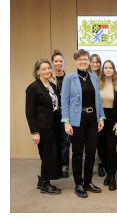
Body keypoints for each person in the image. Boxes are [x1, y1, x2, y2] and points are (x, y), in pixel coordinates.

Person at [61, 49, 105, 198]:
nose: (83, 62)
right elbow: (64, 101)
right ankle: (78, 184)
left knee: (91, 152)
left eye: (85, 59)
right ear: (75, 61)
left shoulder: (93, 77)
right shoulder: (69, 78)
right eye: (80, 59)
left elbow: (98, 99)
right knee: (78, 153)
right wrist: (66, 122)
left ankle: (88, 182)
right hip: (77, 120)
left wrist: (101, 118)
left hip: (93, 119)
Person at [26, 59, 62, 194]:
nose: (47, 71)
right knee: (48, 154)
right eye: (43, 69)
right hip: (43, 127)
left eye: (48, 68)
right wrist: (34, 131)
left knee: (52, 154)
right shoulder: (33, 87)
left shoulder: (52, 85)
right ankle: (45, 185)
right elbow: (29, 111)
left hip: (55, 126)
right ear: (37, 72)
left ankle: (42, 179)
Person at [97, 60, 117, 191]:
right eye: (105, 68)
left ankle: (112, 176)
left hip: (113, 119)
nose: (107, 70)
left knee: (111, 149)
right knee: (101, 149)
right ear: (103, 70)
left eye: (110, 68)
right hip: (100, 121)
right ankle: (107, 172)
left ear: (113, 70)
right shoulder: (97, 85)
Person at [49, 50, 71, 178]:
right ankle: (55, 165)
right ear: (52, 63)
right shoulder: (48, 77)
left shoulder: (69, 77)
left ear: (64, 62)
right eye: (56, 61)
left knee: (65, 141)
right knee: (56, 141)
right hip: (54, 114)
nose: (58, 63)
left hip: (67, 113)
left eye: (60, 61)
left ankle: (65, 166)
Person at [88, 53, 105, 177]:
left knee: (101, 141)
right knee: (88, 141)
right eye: (92, 62)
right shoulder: (84, 76)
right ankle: (89, 165)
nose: (95, 64)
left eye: (97, 62)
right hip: (88, 113)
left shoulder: (103, 77)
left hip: (102, 112)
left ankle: (100, 165)